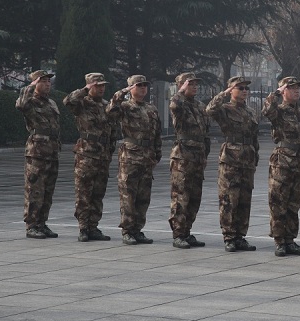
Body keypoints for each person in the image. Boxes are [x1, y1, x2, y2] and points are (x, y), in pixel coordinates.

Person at [107, 74, 162, 245]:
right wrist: (122, 92)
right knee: (128, 195)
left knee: (143, 196)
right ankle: (127, 230)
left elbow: (157, 133)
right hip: (130, 156)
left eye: (145, 85)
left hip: (147, 156)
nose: (143, 88)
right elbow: (110, 111)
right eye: (139, 85)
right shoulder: (124, 107)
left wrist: (157, 153)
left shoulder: (151, 109)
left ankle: (138, 229)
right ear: (131, 88)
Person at [63, 73, 118, 242]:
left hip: (103, 155)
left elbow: (113, 130)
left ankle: (93, 227)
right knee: (83, 193)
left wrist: (110, 152)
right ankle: (83, 227)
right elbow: (68, 101)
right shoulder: (82, 103)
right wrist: (84, 90)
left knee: (98, 193)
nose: (101, 88)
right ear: (89, 86)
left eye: (103, 85)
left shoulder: (106, 105)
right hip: (86, 155)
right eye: (97, 85)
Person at [206, 76, 259, 252]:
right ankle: (229, 236)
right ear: (231, 90)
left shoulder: (250, 111)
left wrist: (255, 156)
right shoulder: (225, 109)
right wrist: (224, 94)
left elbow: (254, 136)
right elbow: (210, 109)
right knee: (229, 198)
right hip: (231, 159)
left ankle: (240, 236)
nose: (244, 91)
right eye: (240, 88)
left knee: (244, 199)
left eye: (246, 88)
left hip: (248, 159)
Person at [262, 76, 300, 257]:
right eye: (291, 88)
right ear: (283, 91)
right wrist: (276, 93)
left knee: (294, 203)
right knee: (278, 202)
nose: (296, 90)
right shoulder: (279, 111)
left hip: (299, 163)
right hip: (282, 162)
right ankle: (279, 241)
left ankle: (290, 240)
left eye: (298, 87)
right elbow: (267, 111)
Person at [15, 70, 61, 239]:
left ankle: (42, 223)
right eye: (43, 81)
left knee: (48, 191)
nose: (47, 84)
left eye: (48, 81)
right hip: (37, 152)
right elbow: (21, 105)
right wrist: (30, 87)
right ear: (35, 83)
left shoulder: (51, 103)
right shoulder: (30, 101)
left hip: (52, 151)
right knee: (35, 190)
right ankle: (32, 225)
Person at [168, 72, 211, 249]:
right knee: (181, 196)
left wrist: (205, 155)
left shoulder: (200, 106)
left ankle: (187, 231)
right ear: (181, 85)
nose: (194, 86)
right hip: (183, 156)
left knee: (194, 197)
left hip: (198, 157)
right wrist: (180, 91)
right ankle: (178, 234)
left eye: (195, 84)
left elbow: (206, 132)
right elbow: (173, 104)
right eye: (190, 84)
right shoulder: (179, 103)